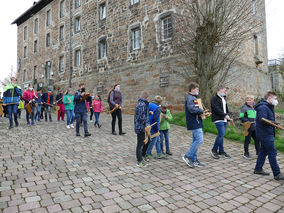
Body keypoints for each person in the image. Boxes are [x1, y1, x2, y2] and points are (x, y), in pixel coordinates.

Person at [254, 91, 284, 180]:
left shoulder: (268, 106)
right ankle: (277, 174)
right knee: (272, 152)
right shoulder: (263, 107)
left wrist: (276, 124)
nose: (276, 100)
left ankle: (258, 169)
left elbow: (269, 120)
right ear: (269, 98)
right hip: (265, 134)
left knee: (263, 151)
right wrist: (273, 125)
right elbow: (263, 120)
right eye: (275, 99)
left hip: (267, 132)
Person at [182, 83, 205, 167]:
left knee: (196, 140)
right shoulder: (190, 98)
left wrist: (201, 113)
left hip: (197, 121)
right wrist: (201, 111)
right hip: (194, 122)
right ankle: (187, 156)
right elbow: (191, 109)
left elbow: (195, 109)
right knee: (199, 140)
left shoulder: (194, 98)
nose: (198, 90)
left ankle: (194, 159)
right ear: (192, 89)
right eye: (197, 89)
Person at [210, 85, 232, 159]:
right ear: (220, 89)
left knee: (221, 135)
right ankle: (214, 150)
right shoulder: (214, 99)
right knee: (221, 134)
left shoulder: (224, 98)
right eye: (225, 90)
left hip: (225, 119)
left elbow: (226, 108)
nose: (226, 92)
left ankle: (221, 151)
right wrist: (225, 115)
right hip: (218, 119)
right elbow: (217, 109)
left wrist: (228, 118)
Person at [134, 91, 150, 167]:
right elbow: (141, 117)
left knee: (147, 140)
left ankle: (142, 155)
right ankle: (139, 160)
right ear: (146, 97)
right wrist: (147, 124)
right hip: (140, 127)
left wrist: (148, 113)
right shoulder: (141, 105)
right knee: (140, 144)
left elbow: (143, 114)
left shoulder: (144, 104)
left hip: (143, 127)